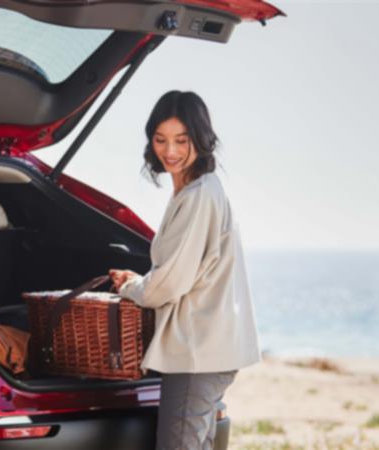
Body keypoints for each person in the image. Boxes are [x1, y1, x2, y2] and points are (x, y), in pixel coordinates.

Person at [109, 90, 261, 450]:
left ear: (201, 139)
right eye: (161, 140)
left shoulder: (197, 196)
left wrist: (131, 286)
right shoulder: (197, 189)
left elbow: (169, 283)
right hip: (209, 347)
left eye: (182, 140)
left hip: (198, 352)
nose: (170, 151)